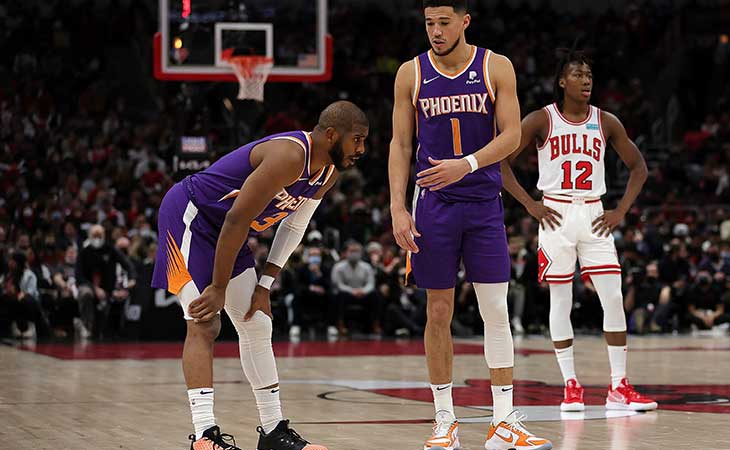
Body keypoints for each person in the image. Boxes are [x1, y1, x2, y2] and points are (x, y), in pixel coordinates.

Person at [151, 101, 368, 450]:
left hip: (228, 232)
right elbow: (237, 220)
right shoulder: (290, 155)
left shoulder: (327, 173)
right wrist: (219, 287)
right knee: (205, 321)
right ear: (331, 135)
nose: (361, 149)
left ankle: (273, 433)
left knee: (257, 322)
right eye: (357, 140)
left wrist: (265, 283)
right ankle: (205, 437)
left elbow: (294, 223)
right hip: (191, 216)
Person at [388, 1, 551, 449]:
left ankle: (503, 421)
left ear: (464, 21)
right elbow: (401, 143)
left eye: (443, 22)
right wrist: (397, 208)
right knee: (438, 311)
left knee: (495, 310)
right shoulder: (411, 72)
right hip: (433, 205)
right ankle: (445, 419)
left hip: (482, 203)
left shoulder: (495, 66)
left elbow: (513, 135)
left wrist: (468, 164)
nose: (435, 31)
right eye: (428, 24)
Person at [501, 49, 657, 412]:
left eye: (589, 75)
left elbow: (639, 168)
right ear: (561, 81)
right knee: (561, 301)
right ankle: (571, 385)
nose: (586, 80)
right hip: (555, 212)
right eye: (577, 74)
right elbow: (502, 164)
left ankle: (619, 385)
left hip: (594, 213)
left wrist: (619, 210)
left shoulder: (606, 121)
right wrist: (530, 203)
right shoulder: (542, 119)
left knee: (614, 297)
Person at [330, 241, 382, 335]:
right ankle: (340, 325)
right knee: (339, 296)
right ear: (346, 252)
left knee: (375, 295)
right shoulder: (338, 267)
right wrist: (352, 291)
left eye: (356, 251)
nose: (354, 254)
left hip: (363, 295)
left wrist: (363, 291)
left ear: (361, 253)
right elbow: (338, 284)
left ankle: (375, 324)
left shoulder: (366, 267)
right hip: (347, 295)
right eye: (351, 251)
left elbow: (371, 284)